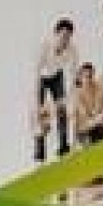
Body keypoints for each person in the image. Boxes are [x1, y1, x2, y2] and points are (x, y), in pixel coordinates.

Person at [34, 18, 78, 162]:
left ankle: (63, 146)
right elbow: (36, 72)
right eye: (63, 36)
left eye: (68, 37)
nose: (65, 40)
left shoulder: (72, 49)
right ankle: (39, 151)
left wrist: (66, 99)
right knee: (40, 114)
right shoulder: (44, 46)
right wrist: (39, 104)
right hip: (41, 78)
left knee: (62, 111)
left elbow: (73, 74)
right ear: (56, 34)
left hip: (57, 77)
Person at [73, 63, 103, 146]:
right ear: (81, 78)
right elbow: (85, 117)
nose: (89, 80)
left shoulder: (99, 88)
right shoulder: (78, 95)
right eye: (86, 77)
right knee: (100, 128)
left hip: (102, 121)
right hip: (87, 127)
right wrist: (100, 118)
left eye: (90, 76)